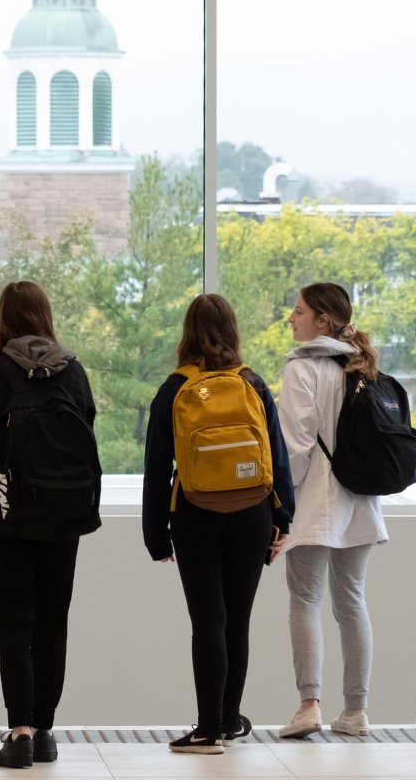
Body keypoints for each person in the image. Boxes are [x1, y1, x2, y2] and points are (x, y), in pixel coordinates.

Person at [142, 293, 294, 754]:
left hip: (195, 514)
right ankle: (228, 720)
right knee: (237, 620)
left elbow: (155, 467)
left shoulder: (174, 388)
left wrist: (155, 533)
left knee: (207, 619)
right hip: (252, 513)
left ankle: (207, 729)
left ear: (187, 331)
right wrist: (282, 517)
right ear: (232, 330)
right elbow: (278, 458)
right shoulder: (253, 382)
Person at [0, 280, 99, 769]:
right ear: (45, 316)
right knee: (52, 622)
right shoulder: (73, 369)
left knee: (14, 624)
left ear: (3, 318)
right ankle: (44, 730)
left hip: (8, 517)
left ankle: (19, 730)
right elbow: (86, 425)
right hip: (65, 516)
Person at [277, 282, 388, 740]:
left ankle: (309, 706)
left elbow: (296, 448)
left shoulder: (303, 369)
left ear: (322, 320)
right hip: (361, 502)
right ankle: (356, 711)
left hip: (316, 503)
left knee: (305, 600)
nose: (291, 318)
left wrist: (280, 502)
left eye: (299, 311)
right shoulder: (363, 365)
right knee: (352, 602)